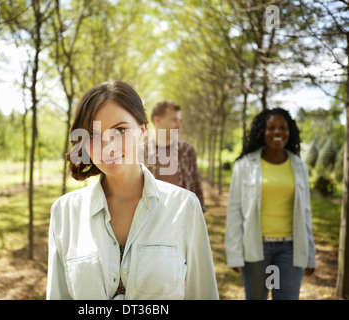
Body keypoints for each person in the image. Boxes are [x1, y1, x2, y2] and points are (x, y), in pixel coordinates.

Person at [46, 81, 219, 300]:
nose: (109, 147)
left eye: (120, 130)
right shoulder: (64, 213)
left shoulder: (185, 208)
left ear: (142, 131)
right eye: (94, 135)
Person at [225, 107, 316, 300]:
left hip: (290, 250)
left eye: (283, 127)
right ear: (262, 132)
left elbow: (305, 212)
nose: (277, 132)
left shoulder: (299, 166)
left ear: (289, 132)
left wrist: (309, 253)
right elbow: (234, 211)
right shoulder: (244, 165)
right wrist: (234, 252)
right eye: (271, 127)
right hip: (256, 248)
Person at [141, 101, 207, 213]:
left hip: (183, 220)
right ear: (157, 120)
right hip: (152, 222)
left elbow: (196, 188)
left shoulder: (187, 150)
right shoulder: (141, 152)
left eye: (179, 121)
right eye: (174, 120)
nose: (179, 125)